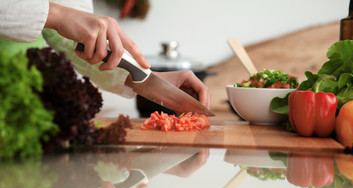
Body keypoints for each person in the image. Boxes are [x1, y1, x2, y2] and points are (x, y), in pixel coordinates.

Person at [0, 0, 211, 109]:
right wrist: (54, 13)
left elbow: (76, 42)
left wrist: (141, 77)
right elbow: (60, 18)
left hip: (24, 102)